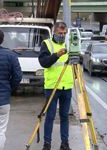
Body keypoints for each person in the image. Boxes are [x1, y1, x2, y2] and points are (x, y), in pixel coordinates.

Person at [38, 22, 73, 150]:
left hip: (67, 86)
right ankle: (47, 143)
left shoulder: (70, 44)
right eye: (60, 33)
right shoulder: (47, 44)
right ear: (54, 32)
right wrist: (57, 55)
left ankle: (65, 143)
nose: (62, 35)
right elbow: (44, 62)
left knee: (65, 116)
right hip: (52, 86)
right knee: (50, 116)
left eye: (64, 33)